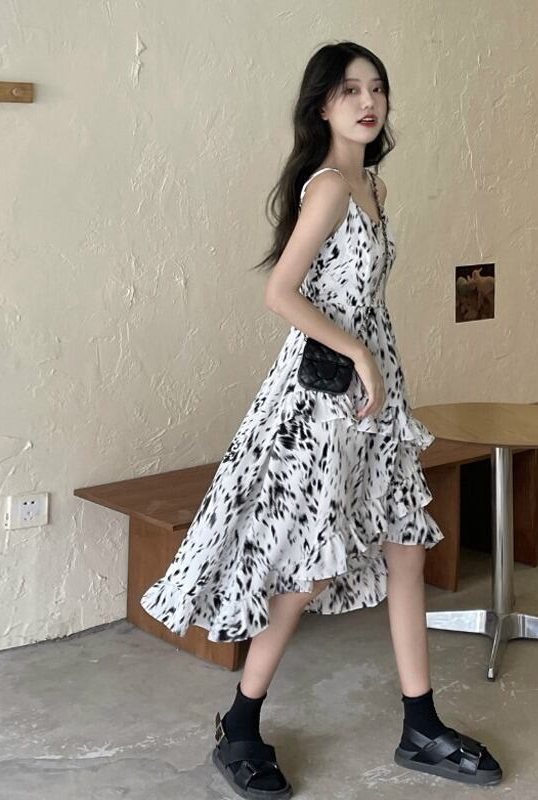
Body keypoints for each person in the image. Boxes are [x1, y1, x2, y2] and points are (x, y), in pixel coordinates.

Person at [140, 41, 503, 798]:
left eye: (377, 88)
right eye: (348, 90)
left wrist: (379, 370)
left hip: (375, 399)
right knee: (307, 567)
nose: (367, 102)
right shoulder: (332, 187)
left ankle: (421, 725)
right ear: (322, 106)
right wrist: (360, 355)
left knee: (406, 547)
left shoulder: (372, 184)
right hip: (322, 399)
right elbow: (281, 292)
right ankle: (240, 725)